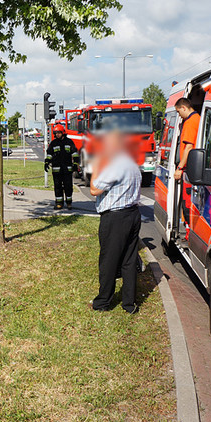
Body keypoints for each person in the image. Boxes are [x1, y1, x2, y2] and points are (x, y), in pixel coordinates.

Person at [89, 131, 142, 314]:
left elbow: (94, 189)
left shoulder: (115, 165)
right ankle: (129, 304)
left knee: (109, 261)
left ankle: (103, 302)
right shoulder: (132, 164)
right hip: (133, 214)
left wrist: (95, 165)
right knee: (128, 260)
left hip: (116, 218)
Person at [174, 97, 201, 231]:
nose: (179, 115)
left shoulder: (190, 122)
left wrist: (179, 168)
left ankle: (188, 232)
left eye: (179, 112)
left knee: (187, 202)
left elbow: (188, 147)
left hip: (189, 168)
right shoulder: (197, 119)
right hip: (194, 166)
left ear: (184, 108)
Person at [44, 124, 79, 210]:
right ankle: (59, 203)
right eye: (56, 133)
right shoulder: (53, 143)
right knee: (57, 186)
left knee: (68, 186)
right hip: (57, 170)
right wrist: (47, 162)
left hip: (67, 169)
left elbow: (75, 154)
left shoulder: (69, 142)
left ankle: (69, 203)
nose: (57, 135)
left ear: (63, 133)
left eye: (59, 133)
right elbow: (49, 154)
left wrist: (75, 164)